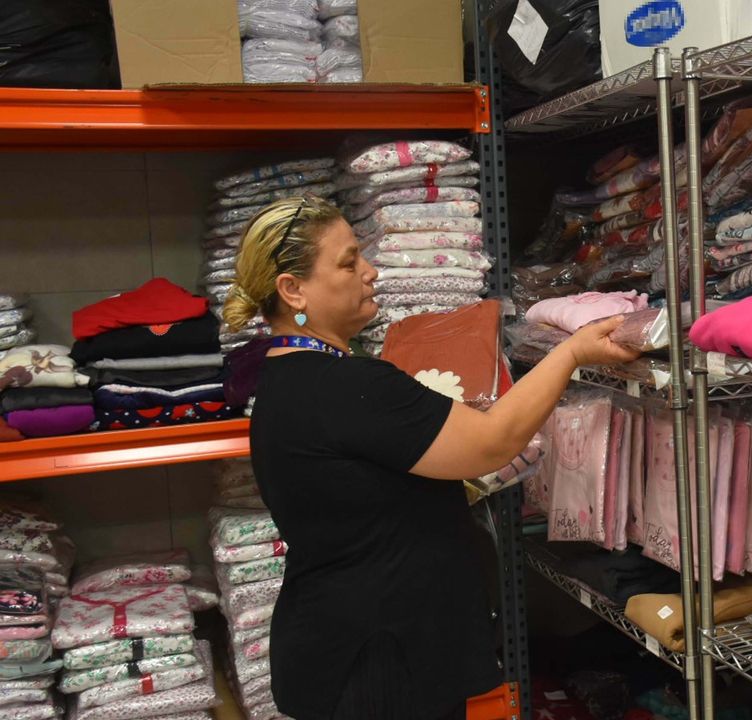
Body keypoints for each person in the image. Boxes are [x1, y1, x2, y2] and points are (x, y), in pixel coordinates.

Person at [222, 195, 640, 719]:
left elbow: (357, 495)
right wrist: (571, 353)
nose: (370, 271)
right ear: (293, 289)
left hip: (343, 642)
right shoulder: (348, 385)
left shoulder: (284, 379)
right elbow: (492, 441)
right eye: (349, 263)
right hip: (380, 661)